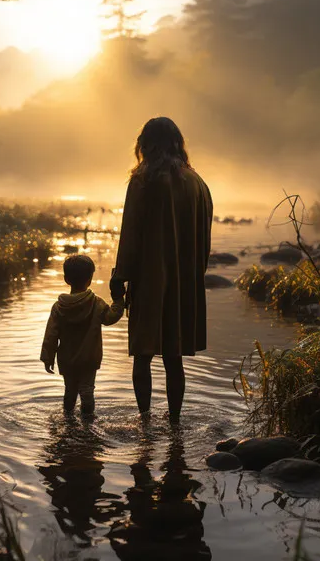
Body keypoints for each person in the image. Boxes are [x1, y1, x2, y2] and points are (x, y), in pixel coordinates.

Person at [110, 117, 213, 423]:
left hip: (150, 279)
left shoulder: (144, 179)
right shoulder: (197, 183)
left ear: (144, 143)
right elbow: (203, 242)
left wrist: (120, 276)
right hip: (183, 282)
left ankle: (144, 424)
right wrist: (193, 276)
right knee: (174, 357)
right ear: (178, 143)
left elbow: (131, 232)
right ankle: (175, 424)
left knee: (142, 355)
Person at [41, 255, 124, 415]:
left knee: (70, 392)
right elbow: (110, 318)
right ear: (90, 280)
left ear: (66, 279)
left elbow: (50, 335)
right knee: (87, 392)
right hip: (89, 358)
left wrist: (47, 357)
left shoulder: (59, 307)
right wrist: (119, 301)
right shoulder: (96, 303)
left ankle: (68, 422)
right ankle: (88, 426)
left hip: (67, 359)